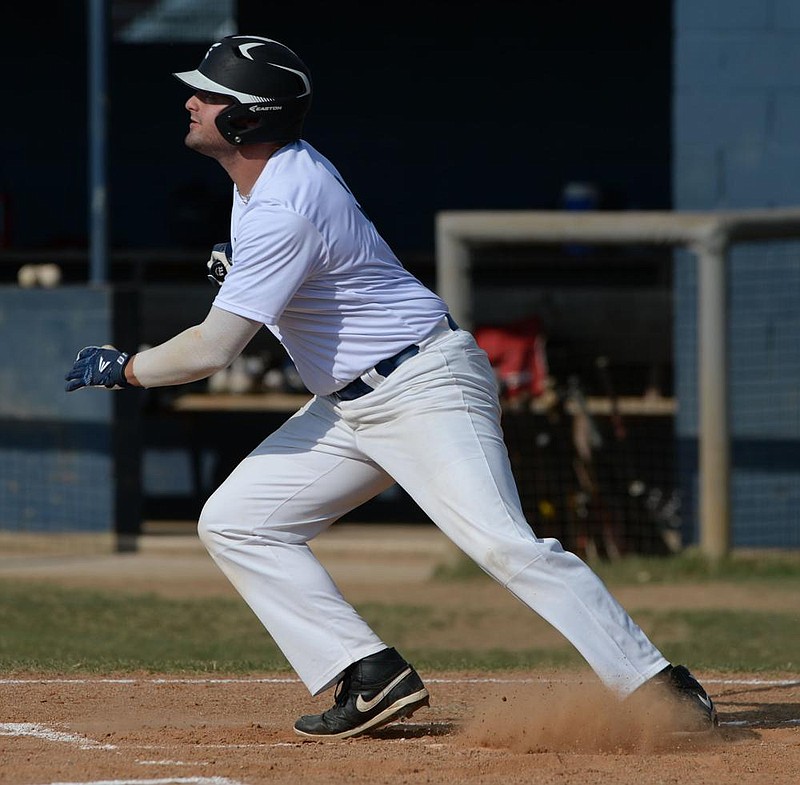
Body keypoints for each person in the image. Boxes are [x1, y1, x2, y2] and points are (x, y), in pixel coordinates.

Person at [65, 34, 718, 740]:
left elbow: (212, 351)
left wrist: (127, 366)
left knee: (504, 544)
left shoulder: (282, 199)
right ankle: (370, 672)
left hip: (424, 385)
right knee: (237, 521)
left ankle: (660, 686)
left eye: (210, 95)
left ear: (247, 120)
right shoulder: (260, 179)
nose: (191, 102)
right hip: (352, 407)